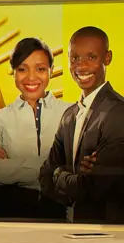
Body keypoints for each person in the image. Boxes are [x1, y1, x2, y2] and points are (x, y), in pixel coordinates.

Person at [40, 26, 124, 223]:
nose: (81, 66)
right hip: (70, 232)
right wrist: (72, 177)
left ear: (107, 58)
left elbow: (94, 188)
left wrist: (60, 174)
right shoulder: (69, 116)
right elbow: (45, 177)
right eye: (75, 58)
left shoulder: (118, 113)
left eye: (91, 57)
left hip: (109, 235)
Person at [0, 38, 71, 219]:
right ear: (13, 72)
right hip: (13, 213)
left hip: (64, 213)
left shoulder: (71, 112)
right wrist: (54, 168)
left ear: (51, 71)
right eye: (22, 69)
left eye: (40, 69)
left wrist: (13, 162)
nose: (31, 77)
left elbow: (80, 168)